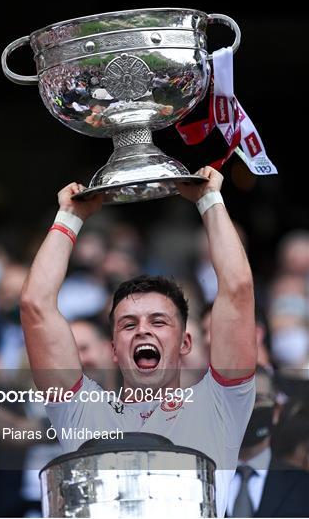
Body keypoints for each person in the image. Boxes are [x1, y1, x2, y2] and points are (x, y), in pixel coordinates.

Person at [20, 166, 257, 517]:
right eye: (129, 324)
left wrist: (209, 199)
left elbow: (237, 292)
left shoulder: (220, 406)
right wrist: (70, 217)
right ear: (114, 349)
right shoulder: (82, 411)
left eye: (159, 322)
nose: (143, 330)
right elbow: (35, 306)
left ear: (186, 343)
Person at [226, 365, 309, 517]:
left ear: (276, 411)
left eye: (258, 400)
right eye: (238, 399)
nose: (247, 408)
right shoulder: (200, 479)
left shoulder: (302, 486)